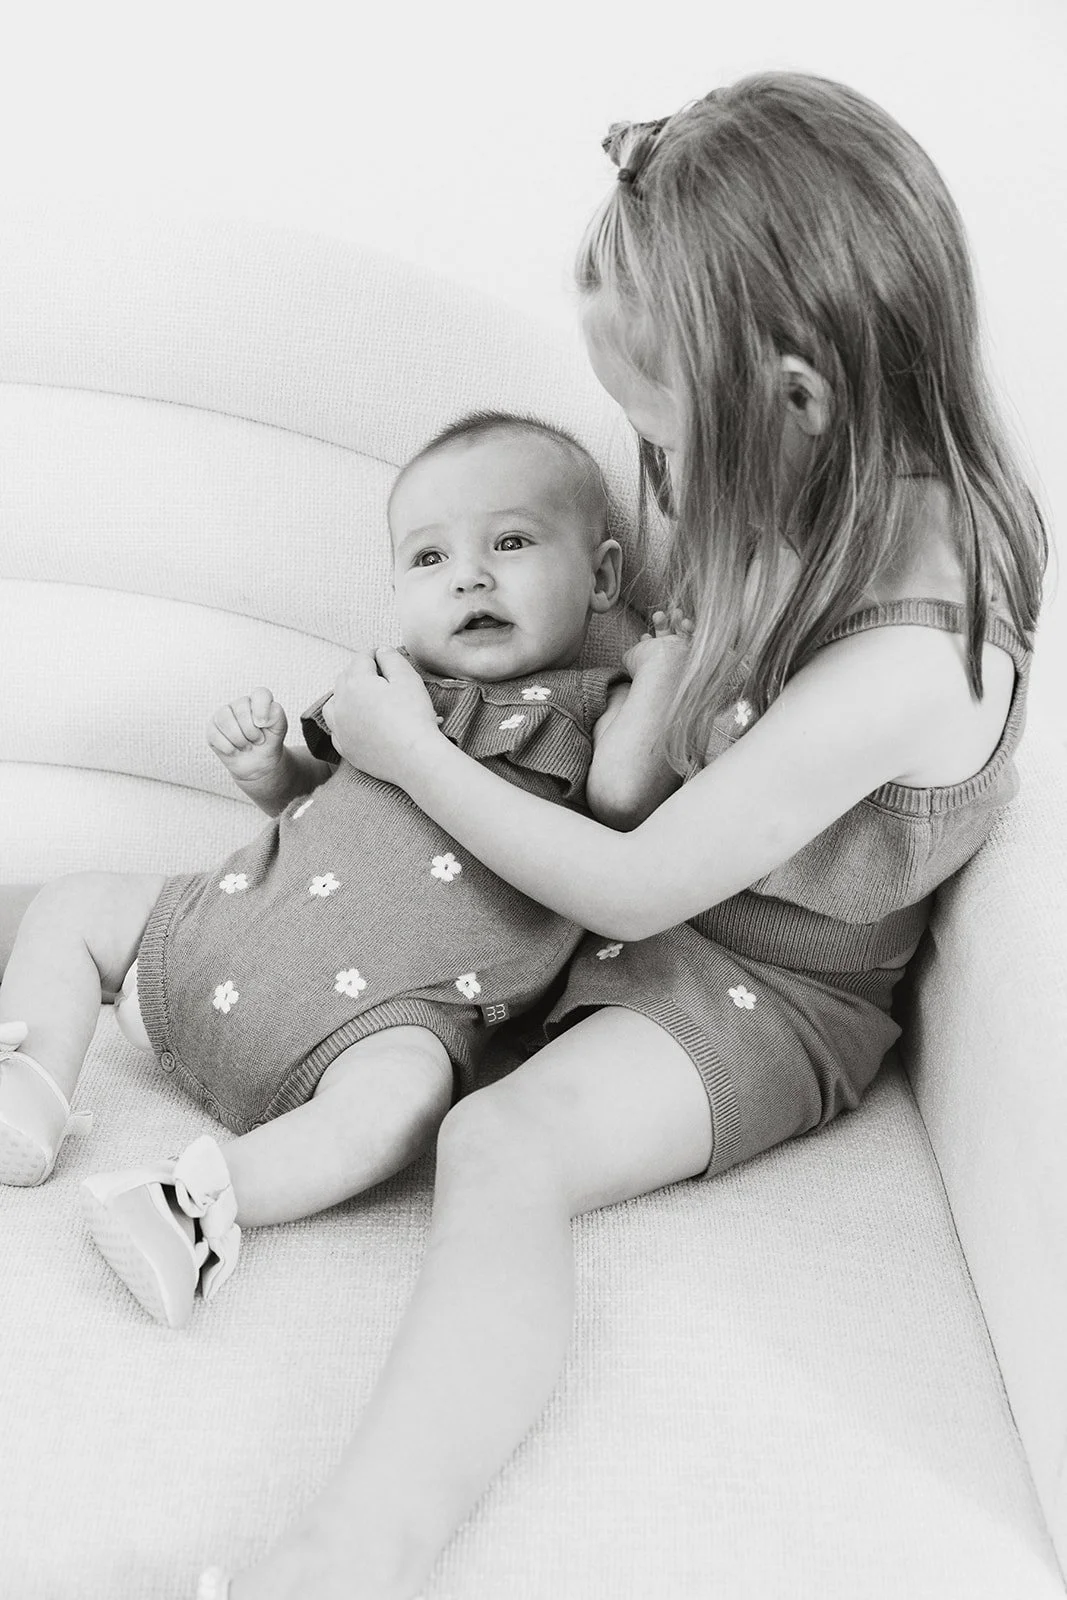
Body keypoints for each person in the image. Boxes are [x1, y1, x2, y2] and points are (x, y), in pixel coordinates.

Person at [209, 72, 1044, 1600]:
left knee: (497, 1144)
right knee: (322, 959)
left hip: (758, 985)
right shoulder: (812, 460)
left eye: (660, 437)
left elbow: (636, 875)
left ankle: (355, 1554)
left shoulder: (913, 650)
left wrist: (405, 746)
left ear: (790, 397)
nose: (653, 477)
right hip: (622, 883)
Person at [0, 411, 689, 1330]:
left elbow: (624, 805)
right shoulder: (388, 685)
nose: (471, 575)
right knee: (79, 901)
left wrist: (664, 679)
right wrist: (271, 773)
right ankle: (32, 1087)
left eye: (511, 542)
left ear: (603, 576)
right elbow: (325, 810)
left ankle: (195, 1202)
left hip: (371, 1028)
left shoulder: (589, 711)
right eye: (430, 559)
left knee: (406, 1108)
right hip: (213, 933)